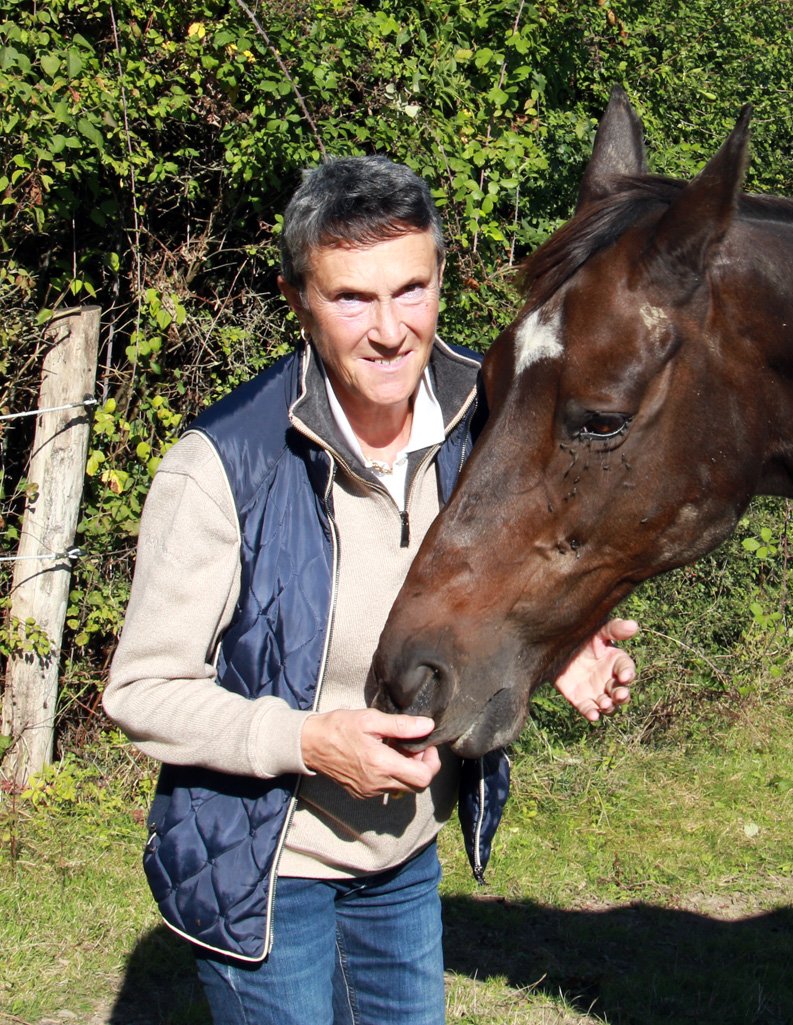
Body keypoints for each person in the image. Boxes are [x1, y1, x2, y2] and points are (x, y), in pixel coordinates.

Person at [103, 154, 638, 1025]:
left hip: (405, 857)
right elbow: (141, 690)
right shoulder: (222, 465)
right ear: (298, 300)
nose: (390, 330)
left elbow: (494, 588)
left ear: (441, 278)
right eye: (352, 298)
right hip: (268, 870)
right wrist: (310, 742)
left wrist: (559, 646)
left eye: (411, 289)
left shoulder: (490, 418)